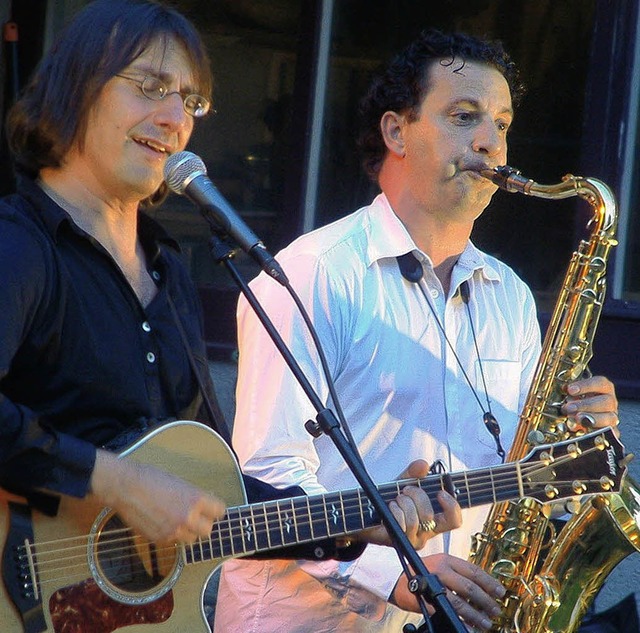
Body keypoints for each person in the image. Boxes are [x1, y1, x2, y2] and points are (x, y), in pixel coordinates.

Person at [0, 1, 462, 628]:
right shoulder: (18, 245)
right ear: (76, 87)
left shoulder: (168, 271)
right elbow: (140, 488)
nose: (172, 119)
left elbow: (209, 498)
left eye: (190, 102)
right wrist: (119, 485)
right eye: (151, 88)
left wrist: (362, 521)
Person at [215, 29, 620, 632]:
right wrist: (399, 572)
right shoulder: (313, 272)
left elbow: (519, 483)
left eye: (503, 124)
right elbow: (268, 480)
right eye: (465, 116)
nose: (491, 142)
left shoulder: (509, 295)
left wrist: (570, 446)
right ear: (396, 132)